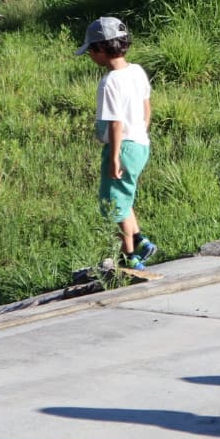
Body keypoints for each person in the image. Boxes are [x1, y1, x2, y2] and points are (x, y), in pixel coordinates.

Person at [76, 17, 157, 270]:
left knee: (114, 204)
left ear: (102, 48)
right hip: (140, 144)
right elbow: (146, 107)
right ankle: (140, 241)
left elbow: (115, 123)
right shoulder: (137, 71)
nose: (90, 55)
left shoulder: (109, 82)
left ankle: (130, 256)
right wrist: (141, 131)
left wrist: (114, 157)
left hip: (121, 147)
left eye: (90, 50)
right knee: (124, 196)